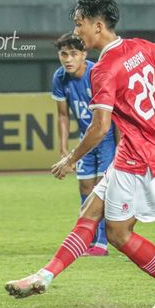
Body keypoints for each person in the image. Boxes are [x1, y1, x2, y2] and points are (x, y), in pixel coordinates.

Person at [6, 0, 155, 308]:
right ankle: (44, 277)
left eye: (79, 25)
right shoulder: (141, 47)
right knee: (89, 216)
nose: (77, 31)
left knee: (118, 235)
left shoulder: (104, 69)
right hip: (142, 149)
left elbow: (100, 126)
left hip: (138, 155)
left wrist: (70, 158)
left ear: (97, 25)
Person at [51, 33, 116, 256]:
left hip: (106, 137)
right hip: (84, 139)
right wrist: (62, 148)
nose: (68, 59)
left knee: (101, 189)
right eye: (63, 54)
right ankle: (88, 239)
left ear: (84, 54)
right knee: (85, 187)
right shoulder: (59, 78)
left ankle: (102, 242)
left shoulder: (97, 73)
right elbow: (62, 115)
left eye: (74, 54)